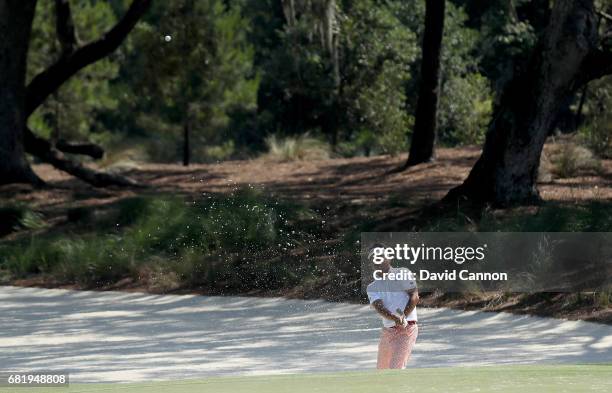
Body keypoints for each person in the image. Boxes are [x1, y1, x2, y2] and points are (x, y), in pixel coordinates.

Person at [366, 244, 419, 369]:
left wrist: (402, 315)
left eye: (380, 256)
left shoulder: (403, 273)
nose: (377, 260)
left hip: (407, 328)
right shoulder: (372, 287)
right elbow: (379, 307)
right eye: (374, 258)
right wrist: (394, 317)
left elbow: (415, 296)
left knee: (396, 368)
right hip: (388, 331)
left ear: (388, 258)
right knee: (382, 370)